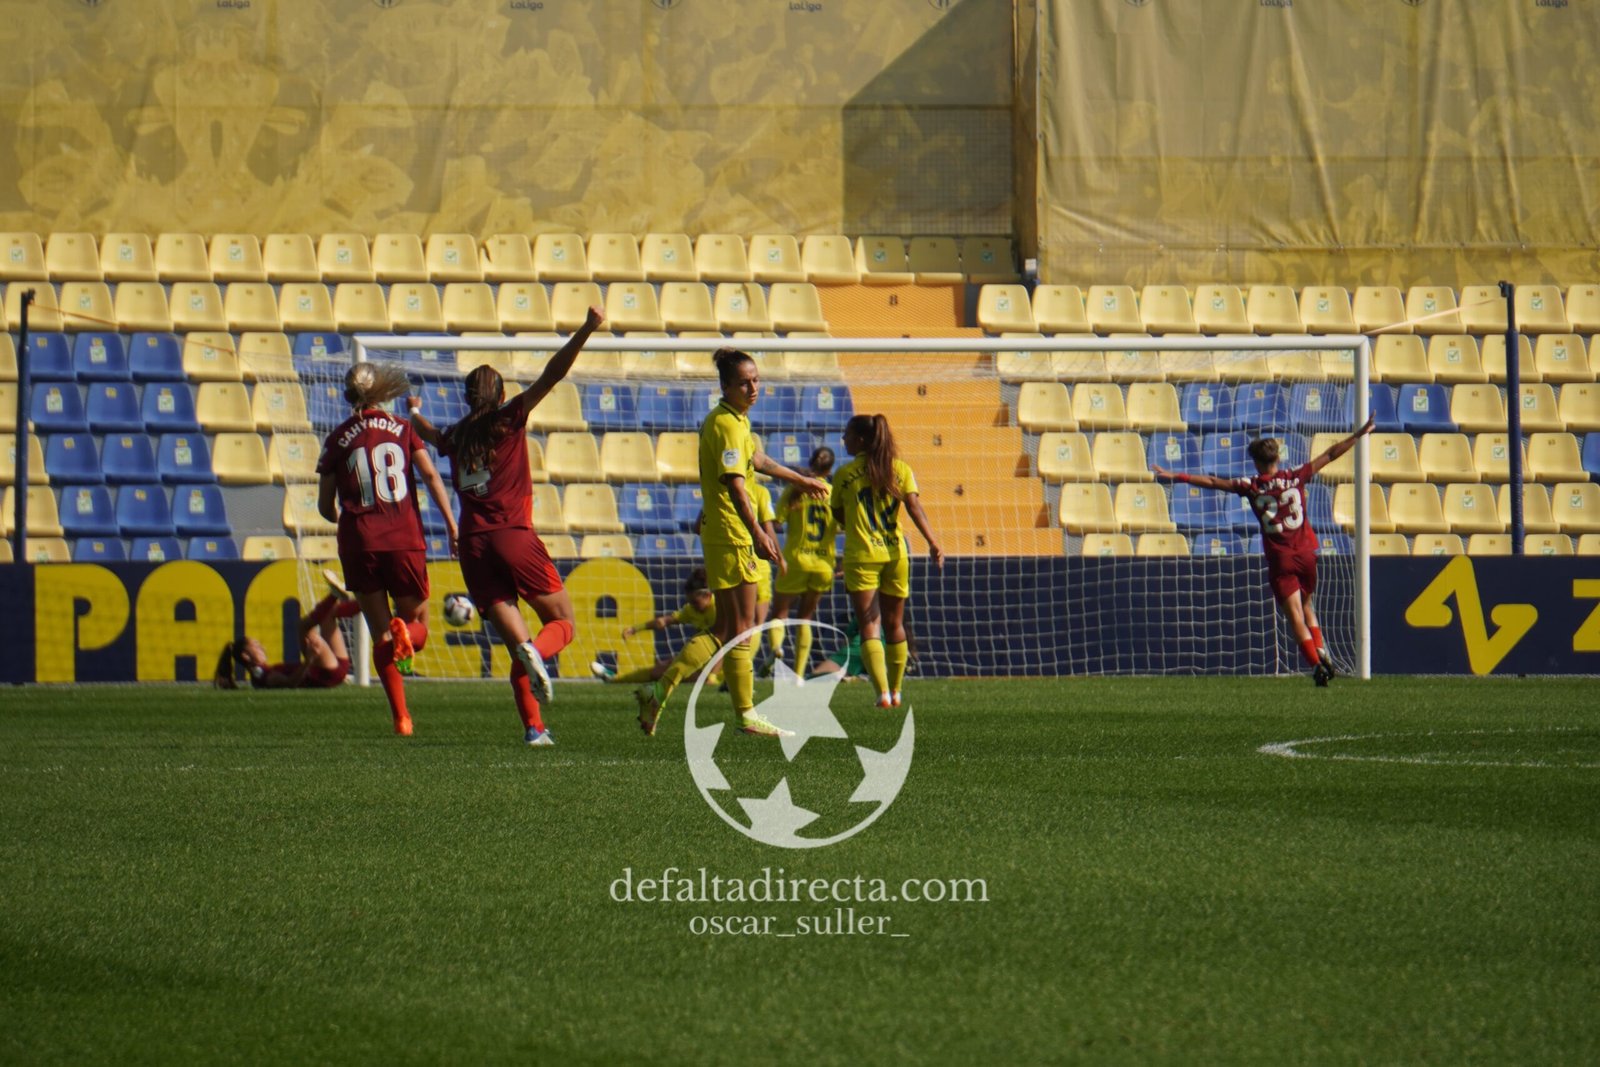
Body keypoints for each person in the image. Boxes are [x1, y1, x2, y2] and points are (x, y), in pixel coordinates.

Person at [409, 306, 604, 745]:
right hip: (513, 537)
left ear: (467, 399)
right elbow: (552, 375)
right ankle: (540, 652)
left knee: (517, 645)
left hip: (473, 548)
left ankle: (535, 730)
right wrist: (585, 329)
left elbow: (429, 435)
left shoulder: (457, 436)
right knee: (563, 623)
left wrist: (414, 413)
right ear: (499, 396)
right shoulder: (508, 419)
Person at [635, 347, 830, 738]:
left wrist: (801, 479)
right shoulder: (725, 424)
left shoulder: (736, 422)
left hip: (725, 533)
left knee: (728, 626)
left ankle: (660, 691)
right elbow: (737, 487)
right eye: (745, 382)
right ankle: (743, 714)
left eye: (756, 380)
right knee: (739, 628)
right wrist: (757, 532)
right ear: (726, 386)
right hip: (733, 534)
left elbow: (756, 460)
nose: (753, 387)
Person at [1152, 413, 1376, 685]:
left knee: (1294, 612)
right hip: (1306, 554)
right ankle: (1321, 650)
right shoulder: (1295, 477)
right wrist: (1358, 434)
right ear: (1278, 458)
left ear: (1256, 463)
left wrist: (1177, 474)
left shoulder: (1251, 486)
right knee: (1307, 604)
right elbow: (1329, 455)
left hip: (1280, 558)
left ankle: (1316, 663)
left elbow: (1212, 482)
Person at [317, 362, 456, 736]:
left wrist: (341, 515)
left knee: (382, 635)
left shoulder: (336, 438)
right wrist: (451, 524)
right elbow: (428, 474)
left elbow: (325, 507)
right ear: (381, 391)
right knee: (416, 626)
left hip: (359, 541)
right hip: (402, 538)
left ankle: (401, 718)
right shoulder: (403, 429)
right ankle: (407, 637)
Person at [831, 413, 944, 708]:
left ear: (861, 440)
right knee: (895, 624)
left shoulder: (844, 475)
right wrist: (933, 542)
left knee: (870, 624)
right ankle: (896, 691)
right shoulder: (901, 470)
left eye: (847, 435)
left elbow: (839, 514)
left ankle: (881, 692)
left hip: (862, 555)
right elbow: (915, 508)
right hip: (896, 553)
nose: (844, 439)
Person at [592, 568, 723, 735]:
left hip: (722, 667)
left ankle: (648, 697)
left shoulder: (719, 609)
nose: (693, 607)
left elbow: (727, 645)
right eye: (690, 603)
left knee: (673, 669)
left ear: (708, 595)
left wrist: (712, 674)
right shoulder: (691, 610)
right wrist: (636, 629)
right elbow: (665, 621)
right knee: (663, 669)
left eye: (695, 603)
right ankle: (615, 679)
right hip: (705, 664)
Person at [214, 572, 363, 690]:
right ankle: (334, 595)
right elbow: (290, 684)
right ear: (246, 656)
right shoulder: (263, 676)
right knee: (303, 628)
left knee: (328, 613)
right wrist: (309, 661)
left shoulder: (262, 675)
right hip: (327, 674)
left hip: (334, 669)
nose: (262, 648)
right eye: (256, 646)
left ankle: (368, 601)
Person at [768, 446, 838, 676]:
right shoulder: (832, 494)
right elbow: (844, 525)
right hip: (823, 563)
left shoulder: (795, 490)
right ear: (829, 469)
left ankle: (777, 648)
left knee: (780, 613)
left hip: (796, 559)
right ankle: (798, 673)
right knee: (805, 618)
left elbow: (776, 522)